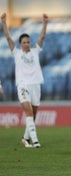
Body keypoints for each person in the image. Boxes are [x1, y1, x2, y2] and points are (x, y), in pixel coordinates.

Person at [1, 12, 48, 148]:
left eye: (28, 42)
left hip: (36, 85)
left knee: (33, 114)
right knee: (28, 111)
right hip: (23, 85)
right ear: (20, 44)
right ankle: (36, 141)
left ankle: (25, 138)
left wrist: (45, 23)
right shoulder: (16, 53)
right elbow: (8, 38)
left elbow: (42, 36)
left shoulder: (35, 52)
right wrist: (4, 23)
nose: (27, 44)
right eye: (24, 42)